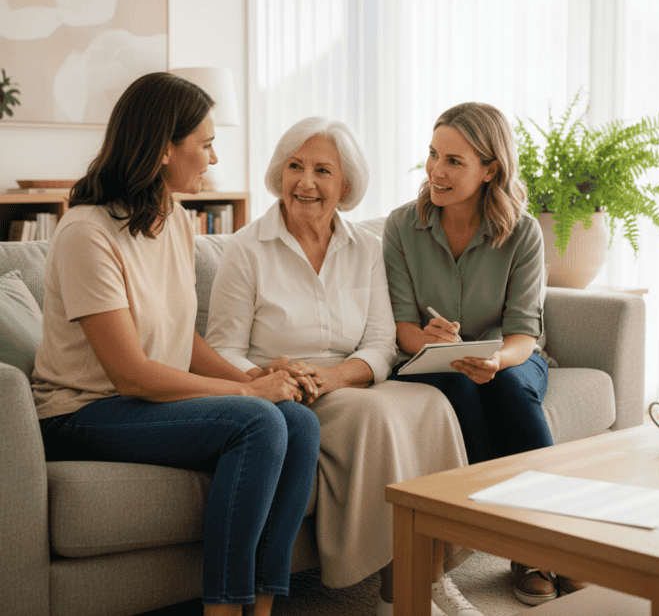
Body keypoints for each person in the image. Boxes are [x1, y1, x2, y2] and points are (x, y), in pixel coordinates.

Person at [31, 72, 321, 616]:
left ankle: (261, 607)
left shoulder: (175, 221)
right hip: (81, 413)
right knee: (259, 420)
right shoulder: (86, 233)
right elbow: (132, 374)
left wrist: (254, 379)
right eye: (206, 144)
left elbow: (176, 337)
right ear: (165, 148)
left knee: (299, 419)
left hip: (139, 403)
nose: (214, 159)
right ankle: (222, 610)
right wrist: (252, 399)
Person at [205, 116, 480, 616]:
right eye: (294, 166)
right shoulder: (246, 248)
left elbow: (381, 343)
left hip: (345, 378)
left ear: (346, 185)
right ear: (279, 174)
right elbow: (222, 349)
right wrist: (271, 379)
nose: (305, 182)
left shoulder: (367, 248)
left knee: (433, 403)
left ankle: (430, 576)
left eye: (321, 171)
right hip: (282, 386)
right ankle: (397, 591)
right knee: (374, 417)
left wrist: (335, 377)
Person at [383, 101, 587, 607]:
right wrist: (430, 342)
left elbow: (523, 335)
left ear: (490, 168)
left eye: (454, 160)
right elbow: (402, 330)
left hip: (509, 359)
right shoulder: (402, 226)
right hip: (433, 362)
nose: (436, 170)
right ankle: (524, 546)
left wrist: (494, 360)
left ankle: (543, 544)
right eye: (433, 154)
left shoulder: (522, 232)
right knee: (458, 385)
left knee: (507, 387)